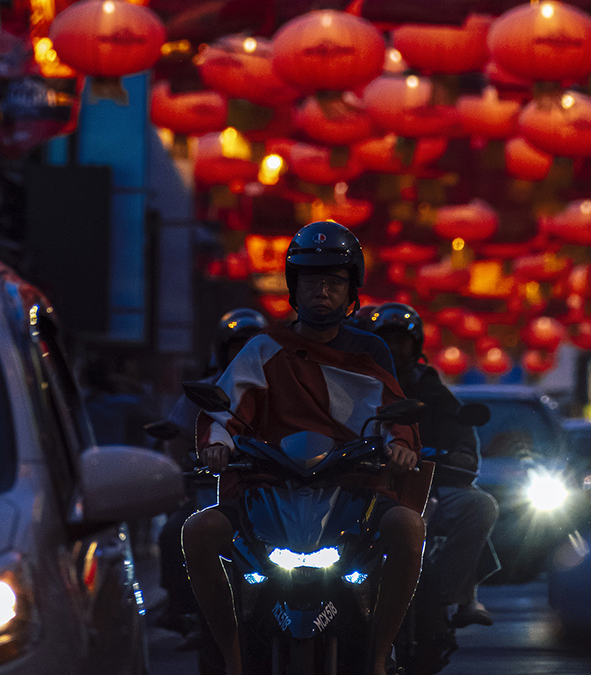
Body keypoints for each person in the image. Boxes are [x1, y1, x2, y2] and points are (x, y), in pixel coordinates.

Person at [182, 223, 426, 675]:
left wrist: (402, 447)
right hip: (268, 489)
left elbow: (396, 413)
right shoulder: (263, 348)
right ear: (294, 287)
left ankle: (377, 655)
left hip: (353, 492)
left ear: (351, 288)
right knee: (196, 532)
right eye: (312, 280)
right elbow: (224, 411)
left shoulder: (371, 351)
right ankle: (233, 658)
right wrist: (217, 446)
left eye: (334, 281)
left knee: (409, 529)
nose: (322, 291)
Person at [367, 303, 498, 631]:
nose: (394, 349)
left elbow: (462, 436)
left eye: (402, 341)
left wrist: (460, 457)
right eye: (386, 341)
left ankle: (450, 595)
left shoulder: (435, 392)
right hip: (367, 483)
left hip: (429, 484)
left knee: (479, 505)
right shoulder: (359, 384)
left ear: (416, 346)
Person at [155, 309, 269, 635]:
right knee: (176, 531)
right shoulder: (206, 390)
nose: (246, 353)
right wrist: (195, 460)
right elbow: (178, 439)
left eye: (253, 345)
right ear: (223, 349)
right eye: (238, 345)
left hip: (273, 494)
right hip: (217, 489)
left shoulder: (281, 389)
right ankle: (185, 609)